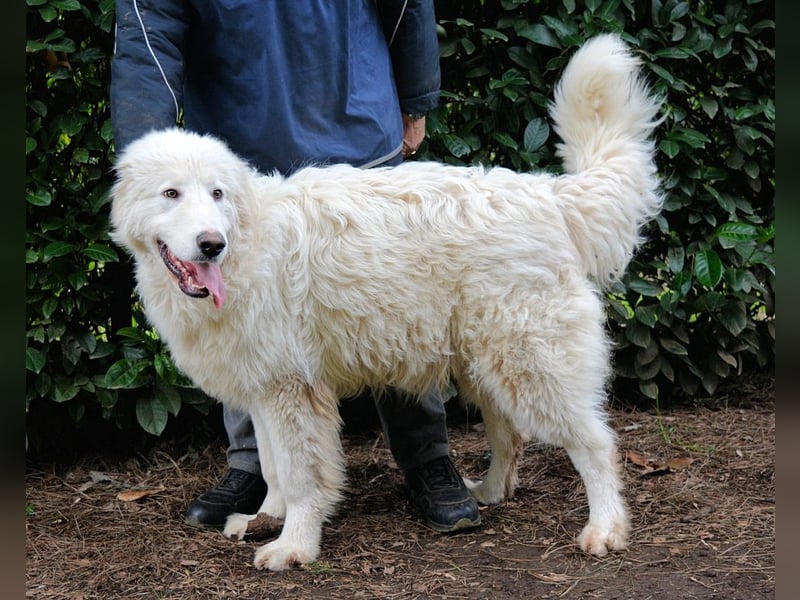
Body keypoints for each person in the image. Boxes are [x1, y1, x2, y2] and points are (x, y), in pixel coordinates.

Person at [110, 0, 480, 534]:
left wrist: (415, 96)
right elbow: (150, 33)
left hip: (355, 130)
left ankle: (426, 459)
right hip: (237, 152)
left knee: (395, 305)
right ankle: (256, 469)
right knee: (236, 323)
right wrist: (145, 159)